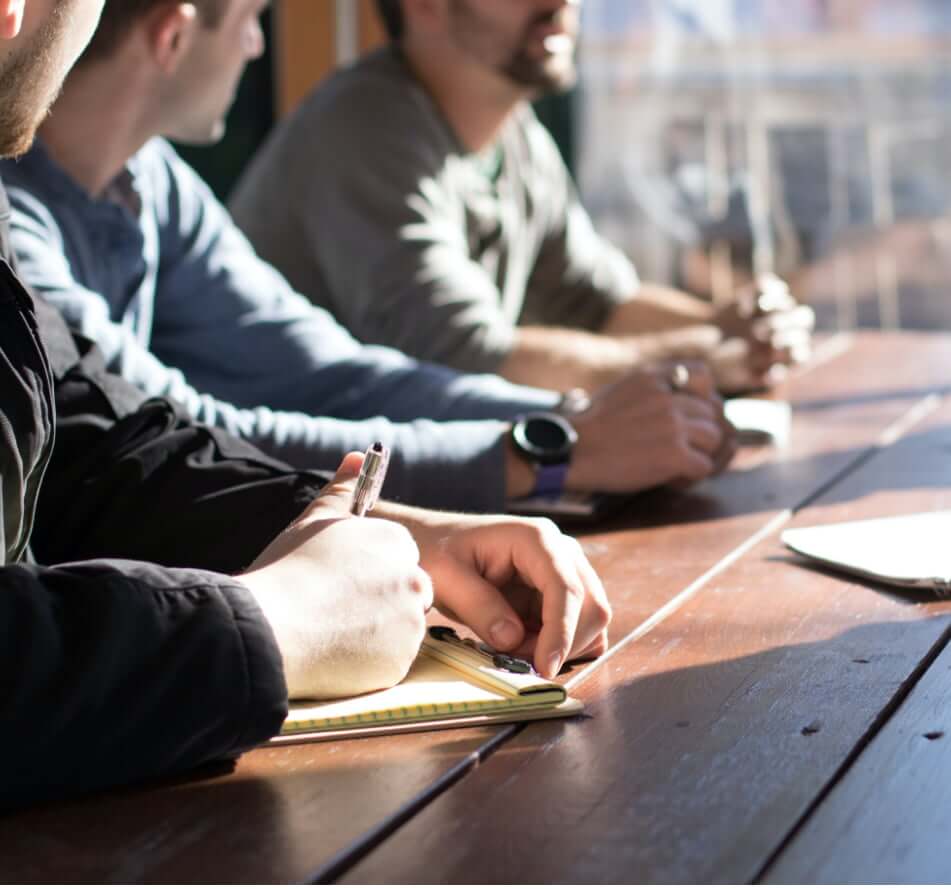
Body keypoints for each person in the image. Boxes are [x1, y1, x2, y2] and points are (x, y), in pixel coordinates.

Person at [0, 0, 611, 809]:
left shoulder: (146, 184)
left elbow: (100, 443)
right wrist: (276, 620)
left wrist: (385, 531)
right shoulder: (365, 126)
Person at [3, 0, 736, 513]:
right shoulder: (16, 229)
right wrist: (549, 450)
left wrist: (564, 416)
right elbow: (178, 439)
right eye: (257, 18)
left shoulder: (148, 178)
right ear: (171, 37)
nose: (260, 47)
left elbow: (328, 371)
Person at [230, 0, 816, 396]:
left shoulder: (513, 131)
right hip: (297, 504)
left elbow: (597, 301)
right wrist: (704, 356)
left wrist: (733, 324)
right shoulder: (363, 130)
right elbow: (467, 360)